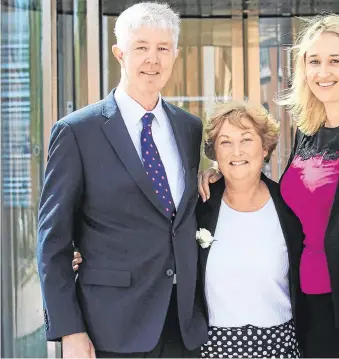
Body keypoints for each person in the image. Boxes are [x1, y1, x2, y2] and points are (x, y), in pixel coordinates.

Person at [198, 14, 339, 359]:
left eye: (335, 60)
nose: (323, 71)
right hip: (312, 303)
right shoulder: (310, 128)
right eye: (314, 61)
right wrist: (221, 171)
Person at [36, 2, 207, 358]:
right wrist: (70, 330)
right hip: (109, 328)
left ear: (175, 54)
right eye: (141, 47)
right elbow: (53, 243)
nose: (153, 59)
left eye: (163, 49)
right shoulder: (77, 132)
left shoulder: (188, 128)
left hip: (182, 324)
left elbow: (178, 214)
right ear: (119, 53)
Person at [73, 101, 304, 358]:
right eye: (225, 142)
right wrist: (91, 253)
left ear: (265, 148)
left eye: (246, 140)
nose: (236, 151)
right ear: (215, 153)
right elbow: (148, 234)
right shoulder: (197, 204)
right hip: (210, 349)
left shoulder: (289, 207)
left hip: (280, 347)